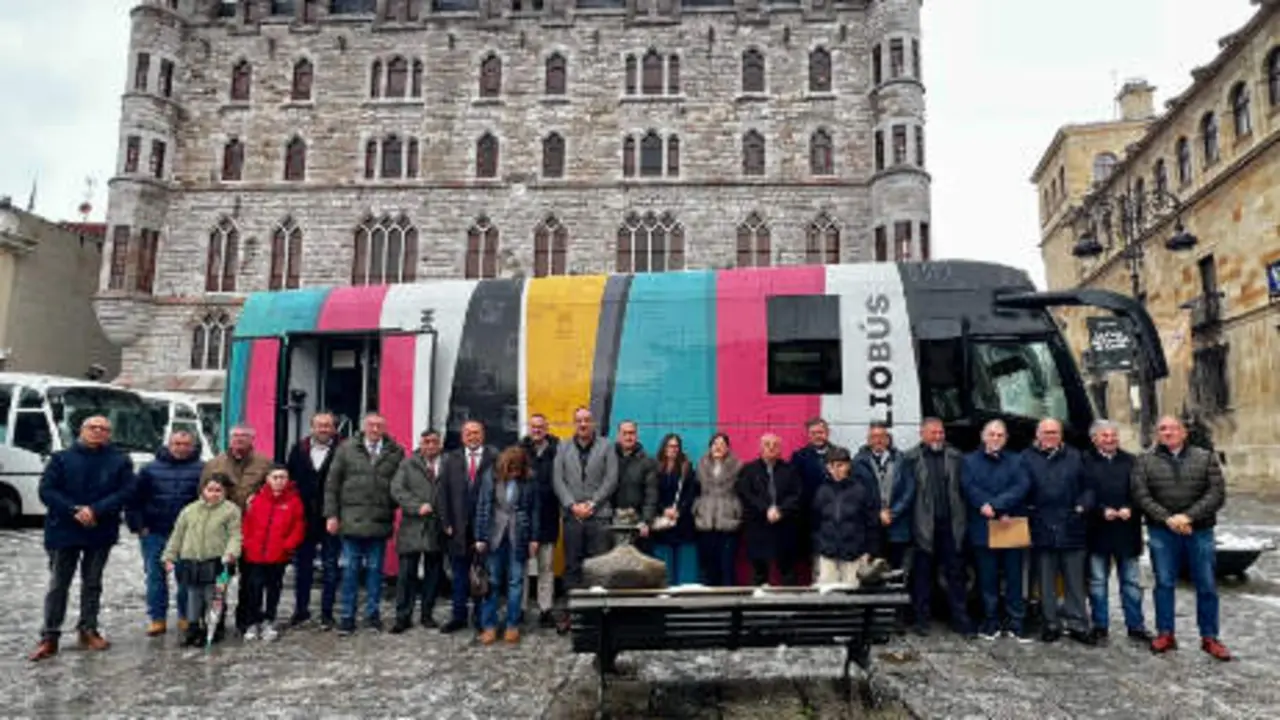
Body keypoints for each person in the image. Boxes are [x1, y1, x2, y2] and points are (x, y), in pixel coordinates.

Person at [28, 415, 137, 662]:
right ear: (82, 430)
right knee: (58, 584)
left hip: (100, 528)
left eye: (104, 429)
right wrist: (74, 510)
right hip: (64, 529)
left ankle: (88, 629)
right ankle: (50, 635)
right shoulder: (61, 458)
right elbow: (47, 490)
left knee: (93, 582)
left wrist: (95, 510)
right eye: (93, 427)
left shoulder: (119, 460)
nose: (98, 432)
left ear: (109, 434)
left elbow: (127, 491)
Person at [1132, 415, 1230, 660]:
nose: (1168, 432)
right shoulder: (1145, 461)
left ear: (1184, 432)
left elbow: (1216, 494)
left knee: (1206, 584)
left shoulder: (1205, 457)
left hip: (1199, 531)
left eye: (1173, 428)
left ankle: (1210, 637)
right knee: (1164, 583)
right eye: (1162, 428)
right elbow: (1141, 495)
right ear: (1157, 434)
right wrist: (1168, 519)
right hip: (1162, 531)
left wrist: (1187, 517)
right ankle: (1166, 633)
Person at [324, 412, 405, 636]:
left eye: (380, 425)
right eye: (371, 425)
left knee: (375, 572)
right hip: (351, 521)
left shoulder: (395, 452)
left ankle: (372, 615)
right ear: (364, 427)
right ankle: (347, 617)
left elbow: (400, 484)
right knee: (350, 571)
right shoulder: (346, 449)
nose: (376, 429)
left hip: (379, 520)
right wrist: (331, 515)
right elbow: (332, 484)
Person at [893, 418, 971, 636]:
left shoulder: (956, 456)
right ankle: (921, 620)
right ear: (922, 434)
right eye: (933, 433)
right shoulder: (910, 458)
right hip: (923, 525)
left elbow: (964, 489)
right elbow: (905, 493)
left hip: (951, 525)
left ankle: (960, 620)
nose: (938, 437)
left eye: (941, 433)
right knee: (922, 576)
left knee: (956, 575)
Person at [1022, 418, 1095, 645]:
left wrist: (1083, 506)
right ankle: (1050, 623)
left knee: (1074, 581)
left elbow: (1089, 487)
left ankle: (1078, 624)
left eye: (1055, 432)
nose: (1050, 436)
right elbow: (1021, 488)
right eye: (1046, 432)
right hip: (1041, 526)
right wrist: (1029, 510)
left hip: (1071, 525)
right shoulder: (1026, 458)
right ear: (1037, 435)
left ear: (1061, 435)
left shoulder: (1076, 457)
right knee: (1046, 581)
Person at [127, 430, 204, 637]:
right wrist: (139, 526)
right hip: (154, 531)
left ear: (192, 446)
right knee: (155, 576)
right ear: (169, 445)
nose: (181, 448)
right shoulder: (149, 469)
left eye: (186, 444)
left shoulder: (202, 469)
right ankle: (157, 618)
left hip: (188, 534)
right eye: (177, 443)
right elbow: (134, 500)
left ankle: (185, 616)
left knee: (186, 577)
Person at [1082, 419, 1152, 644]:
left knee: (1131, 582)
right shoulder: (1085, 461)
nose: (1110, 439)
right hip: (1097, 530)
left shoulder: (1132, 461)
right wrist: (1101, 510)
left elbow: (1142, 492)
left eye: (1113, 435)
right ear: (1094, 439)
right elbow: (1084, 492)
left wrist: (1130, 508)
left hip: (1126, 530)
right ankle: (1100, 625)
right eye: (1105, 436)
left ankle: (1136, 626)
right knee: (1097, 581)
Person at [962, 419, 1032, 641]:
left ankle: (1016, 623)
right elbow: (968, 486)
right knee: (987, 578)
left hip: (1009, 523)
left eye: (1000, 435)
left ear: (1006, 438)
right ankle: (990, 621)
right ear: (983, 437)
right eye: (991, 434)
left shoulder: (1017, 460)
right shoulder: (968, 461)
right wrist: (985, 505)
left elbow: (1022, 486)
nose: (995, 439)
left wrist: (997, 506)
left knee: (1014, 578)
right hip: (983, 525)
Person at [200, 423, 272, 634]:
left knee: (251, 579)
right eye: (235, 437)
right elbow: (202, 494)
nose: (239, 440)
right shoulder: (214, 464)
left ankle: (246, 620)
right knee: (221, 578)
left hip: (252, 529)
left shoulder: (264, 464)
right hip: (222, 532)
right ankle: (218, 621)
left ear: (252, 440)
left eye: (243, 437)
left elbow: (272, 491)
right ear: (229, 440)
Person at [162, 474, 242, 648]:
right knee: (192, 596)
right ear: (203, 490)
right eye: (210, 490)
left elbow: (235, 535)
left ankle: (213, 627)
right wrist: (169, 556)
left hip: (217, 562)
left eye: (218, 490)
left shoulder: (231, 511)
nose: (214, 494)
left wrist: (231, 553)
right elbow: (177, 535)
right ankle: (192, 627)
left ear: (225, 492)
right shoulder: (190, 510)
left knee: (213, 596)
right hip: (192, 560)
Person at [474, 446, 541, 645]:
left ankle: (513, 625)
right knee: (492, 582)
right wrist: (480, 537)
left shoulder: (529, 479)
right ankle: (489, 626)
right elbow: (483, 505)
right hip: (494, 536)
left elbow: (534, 510)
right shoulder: (491, 476)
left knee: (516, 583)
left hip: (519, 536)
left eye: (518, 469)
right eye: (511, 469)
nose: (514, 473)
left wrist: (534, 538)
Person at [439, 420, 499, 634]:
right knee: (459, 575)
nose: (472, 437)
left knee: (483, 575)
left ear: (483, 435)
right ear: (462, 436)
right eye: (468, 433)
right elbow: (442, 492)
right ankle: (458, 616)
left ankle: (482, 618)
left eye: (476, 433)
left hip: (484, 528)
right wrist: (445, 522)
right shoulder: (450, 459)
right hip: (457, 528)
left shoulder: (494, 457)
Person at [284, 412, 342, 630]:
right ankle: (301, 610)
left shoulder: (342, 450)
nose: (324, 429)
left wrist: (337, 514)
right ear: (312, 427)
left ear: (334, 428)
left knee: (330, 567)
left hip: (330, 517)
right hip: (304, 518)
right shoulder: (298, 449)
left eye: (328, 425)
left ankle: (327, 613)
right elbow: (290, 481)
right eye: (320, 425)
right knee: (303, 567)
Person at [552, 408, 618, 592]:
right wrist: (572, 505)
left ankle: (597, 614)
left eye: (587, 420)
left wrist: (593, 503)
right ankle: (573, 613)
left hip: (599, 516)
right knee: (572, 565)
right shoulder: (562, 447)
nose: (583, 424)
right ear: (574, 423)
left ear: (592, 423)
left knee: (598, 566)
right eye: (579, 420)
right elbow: (558, 479)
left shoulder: (607, 446)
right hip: (573, 517)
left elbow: (611, 479)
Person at [240, 466, 307, 641]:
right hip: (255, 554)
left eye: (283, 477)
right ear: (268, 479)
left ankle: (269, 620)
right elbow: (247, 524)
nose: (279, 481)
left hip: (278, 555)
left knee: (273, 589)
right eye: (275, 477)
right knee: (254, 588)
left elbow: (298, 526)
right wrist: (247, 543)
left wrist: (287, 545)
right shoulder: (257, 499)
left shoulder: (293, 501)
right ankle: (252, 622)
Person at [389, 428, 446, 633]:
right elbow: (397, 489)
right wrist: (416, 505)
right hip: (412, 525)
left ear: (440, 444)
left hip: (437, 526)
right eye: (426, 442)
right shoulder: (407, 464)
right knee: (406, 575)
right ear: (421, 444)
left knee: (433, 574)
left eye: (434, 442)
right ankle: (402, 617)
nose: (430, 446)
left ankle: (427, 615)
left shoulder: (447, 464)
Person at [738, 433, 802, 586]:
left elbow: (797, 494)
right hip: (758, 526)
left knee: (788, 571)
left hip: (784, 525)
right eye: (767, 444)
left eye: (775, 445)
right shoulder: (749, 469)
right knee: (759, 572)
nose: (771, 448)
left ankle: (791, 607)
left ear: (780, 449)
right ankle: (757, 608)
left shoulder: (790, 469)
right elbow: (746, 495)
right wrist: (766, 509)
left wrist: (780, 510)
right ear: (760, 448)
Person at [811, 446, 881, 584]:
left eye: (840, 465)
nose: (836, 470)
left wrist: (869, 551)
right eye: (831, 466)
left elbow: (871, 522)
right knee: (827, 594)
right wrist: (819, 545)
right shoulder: (822, 490)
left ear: (848, 466)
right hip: (827, 553)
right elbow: (814, 521)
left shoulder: (861, 490)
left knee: (852, 595)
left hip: (853, 553)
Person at [520, 414, 561, 628]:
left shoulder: (557, 450)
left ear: (547, 428)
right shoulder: (520, 450)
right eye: (533, 427)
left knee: (546, 566)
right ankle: (521, 608)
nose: (537, 430)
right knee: (523, 566)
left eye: (541, 427)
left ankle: (546, 609)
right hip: (524, 517)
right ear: (529, 428)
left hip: (549, 515)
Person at [649, 433, 700, 586]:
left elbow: (692, 494)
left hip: (682, 522)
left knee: (683, 560)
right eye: (670, 446)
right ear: (664, 448)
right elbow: (652, 493)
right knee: (663, 560)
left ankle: (681, 590)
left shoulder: (686, 468)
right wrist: (664, 510)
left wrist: (679, 510)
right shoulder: (655, 468)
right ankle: (665, 590)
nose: (673, 449)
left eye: (676, 446)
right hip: (662, 521)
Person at [693, 432, 743, 587]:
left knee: (727, 566)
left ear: (727, 448)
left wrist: (737, 511)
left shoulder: (737, 466)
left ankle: (730, 604)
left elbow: (742, 492)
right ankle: (708, 605)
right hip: (706, 521)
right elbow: (695, 490)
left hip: (728, 520)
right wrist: (696, 509)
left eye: (722, 444)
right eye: (715, 444)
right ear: (710, 447)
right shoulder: (701, 465)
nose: (718, 447)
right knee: (708, 566)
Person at [854, 422, 906, 567]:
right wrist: (878, 512)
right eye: (874, 436)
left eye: (882, 436)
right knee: (873, 570)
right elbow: (859, 493)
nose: (878, 440)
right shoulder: (858, 462)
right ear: (868, 440)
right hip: (871, 525)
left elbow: (909, 490)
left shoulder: (901, 459)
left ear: (888, 439)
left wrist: (893, 512)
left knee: (897, 568)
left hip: (897, 524)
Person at [790, 417, 833, 583]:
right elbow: (794, 487)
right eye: (813, 433)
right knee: (813, 556)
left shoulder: (840, 453)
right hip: (809, 517)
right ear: (808, 435)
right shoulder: (799, 456)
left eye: (821, 432)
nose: (818, 436)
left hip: (835, 514)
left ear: (827, 433)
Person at [612, 420, 659, 540]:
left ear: (637, 436)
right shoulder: (608, 458)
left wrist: (646, 520)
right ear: (618, 436)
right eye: (625, 433)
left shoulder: (648, 461)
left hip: (637, 520)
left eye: (632, 433)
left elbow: (651, 494)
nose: (628, 437)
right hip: (612, 520)